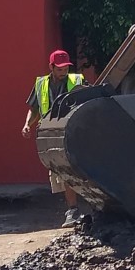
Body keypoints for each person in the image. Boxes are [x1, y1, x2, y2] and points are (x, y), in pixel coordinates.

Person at [22, 50, 85, 228]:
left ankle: (76, 209)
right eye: (59, 68)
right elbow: (34, 108)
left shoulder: (77, 81)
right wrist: (27, 124)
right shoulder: (41, 84)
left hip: (73, 132)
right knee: (61, 172)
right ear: (51, 67)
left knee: (72, 170)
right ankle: (73, 210)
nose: (63, 71)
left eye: (66, 67)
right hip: (51, 133)